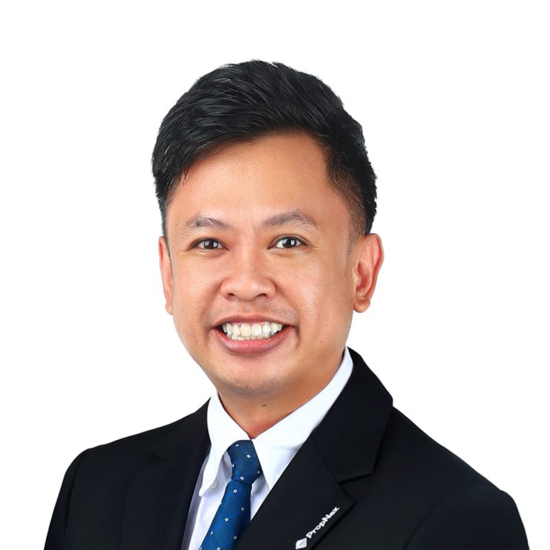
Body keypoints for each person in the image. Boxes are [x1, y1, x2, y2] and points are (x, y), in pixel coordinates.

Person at [44, 61, 529, 550]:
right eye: (210, 243)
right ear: (168, 274)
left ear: (362, 272)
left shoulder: (458, 521)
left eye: (288, 242)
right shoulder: (96, 489)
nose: (246, 284)